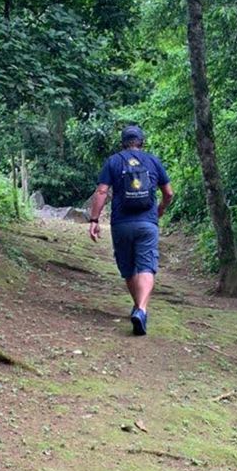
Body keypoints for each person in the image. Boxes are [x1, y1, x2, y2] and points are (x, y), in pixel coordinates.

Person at [89, 125, 174, 336]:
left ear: (123, 142)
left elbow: (101, 191)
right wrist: (160, 210)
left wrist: (94, 219)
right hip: (147, 223)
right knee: (146, 266)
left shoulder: (114, 161)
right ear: (141, 142)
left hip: (121, 224)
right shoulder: (153, 161)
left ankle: (139, 308)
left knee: (128, 267)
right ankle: (142, 309)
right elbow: (169, 193)